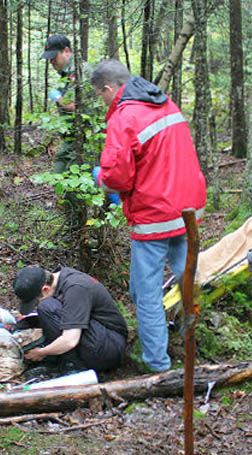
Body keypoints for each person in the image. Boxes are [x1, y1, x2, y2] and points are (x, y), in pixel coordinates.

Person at [90, 59, 207, 372]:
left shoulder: (124, 116)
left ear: (108, 88)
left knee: (146, 294)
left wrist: (100, 177)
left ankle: (158, 365)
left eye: (101, 96)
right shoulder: (165, 103)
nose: (103, 101)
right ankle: (191, 343)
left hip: (155, 214)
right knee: (187, 280)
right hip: (188, 211)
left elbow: (117, 176)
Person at [13, 265, 128, 373]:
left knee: (46, 307)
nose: (36, 305)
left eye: (36, 301)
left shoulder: (76, 288)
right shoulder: (59, 280)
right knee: (43, 311)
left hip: (110, 348)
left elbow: (70, 340)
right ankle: (65, 360)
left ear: (45, 289)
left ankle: (72, 365)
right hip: (97, 336)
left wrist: (41, 353)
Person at [40, 34, 101, 173]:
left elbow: (72, 105)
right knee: (58, 173)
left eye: (54, 56)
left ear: (66, 51)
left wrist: (58, 98)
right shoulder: (67, 74)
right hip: (73, 138)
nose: (51, 61)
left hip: (87, 138)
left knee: (74, 186)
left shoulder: (80, 70)